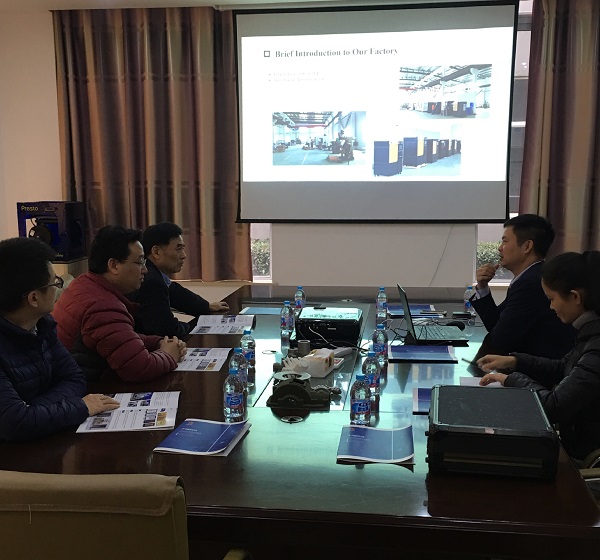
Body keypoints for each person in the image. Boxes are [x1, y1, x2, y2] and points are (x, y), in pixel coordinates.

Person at [478, 251, 600, 461]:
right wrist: (516, 361)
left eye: (552, 299)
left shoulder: (596, 343)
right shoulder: (589, 330)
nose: (551, 307)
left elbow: (554, 406)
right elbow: (563, 367)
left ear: (575, 297)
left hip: (582, 457)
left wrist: (510, 380)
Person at [0, 237, 119, 441]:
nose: (58, 288)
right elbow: (14, 423)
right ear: (34, 298)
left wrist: (33, 408)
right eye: (55, 282)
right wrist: (80, 407)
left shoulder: (43, 326)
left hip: (40, 440)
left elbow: (75, 378)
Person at [53, 225, 186, 383]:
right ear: (114, 265)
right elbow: (139, 368)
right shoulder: (101, 307)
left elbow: (120, 337)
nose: (145, 270)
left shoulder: (84, 283)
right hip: (85, 388)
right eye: (139, 262)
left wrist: (158, 342)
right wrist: (169, 355)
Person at [470, 214, 574, 358]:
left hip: (539, 367)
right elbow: (496, 324)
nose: (500, 248)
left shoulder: (531, 283)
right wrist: (482, 287)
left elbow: (499, 339)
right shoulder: (530, 276)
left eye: (505, 241)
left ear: (527, 246)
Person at [127, 222, 229, 338]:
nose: (183, 255)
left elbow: (175, 292)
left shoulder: (155, 274)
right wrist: (195, 328)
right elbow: (166, 329)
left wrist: (205, 306)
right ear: (156, 252)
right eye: (178, 249)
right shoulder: (151, 280)